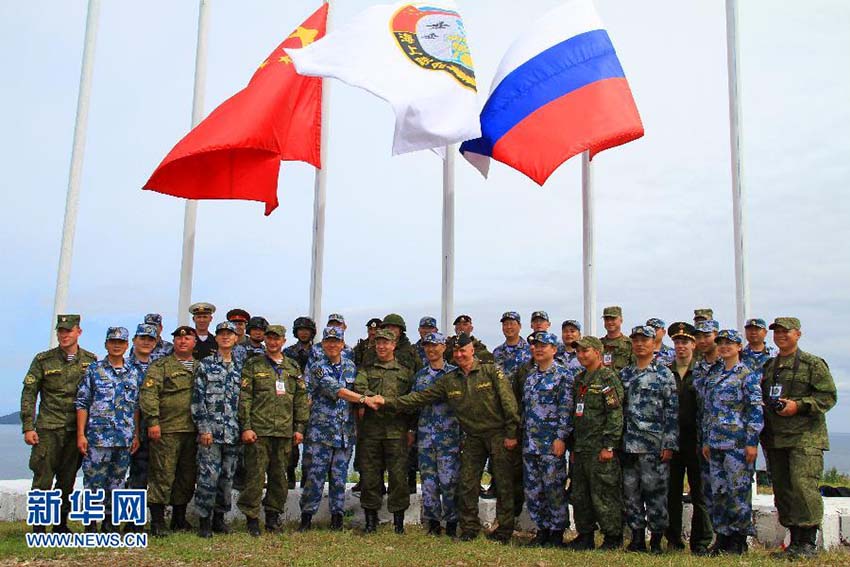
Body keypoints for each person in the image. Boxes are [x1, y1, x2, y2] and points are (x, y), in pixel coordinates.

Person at [377, 333, 521, 544]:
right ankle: (469, 528)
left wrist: (511, 433)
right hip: (473, 437)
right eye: (457, 351)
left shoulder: (490, 371)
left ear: (472, 350)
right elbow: (419, 398)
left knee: (504, 483)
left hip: (497, 434)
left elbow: (509, 403)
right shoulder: (449, 380)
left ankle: (504, 531)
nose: (460, 355)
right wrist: (386, 401)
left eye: (464, 350)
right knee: (466, 483)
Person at [760, 317, 837, 559]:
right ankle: (794, 542)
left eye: (786, 331)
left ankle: (808, 543)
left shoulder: (812, 364)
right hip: (776, 438)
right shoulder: (770, 367)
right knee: (783, 489)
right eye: (777, 332)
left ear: (798, 334)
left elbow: (827, 397)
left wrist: (799, 406)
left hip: (805, 438)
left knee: (803, 487)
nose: (781, 335)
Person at [21, 314, 97, 534]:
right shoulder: (43, 360)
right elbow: (29, 393)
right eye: (60, 331)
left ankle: (60, 525)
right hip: (48, 429)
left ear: (78, 332)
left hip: (76, 431)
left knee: (68, 480)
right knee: (43, 479)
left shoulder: (90, 361)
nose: (64, 335)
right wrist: (28, 426)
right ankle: (39, 527)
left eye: (68, 331)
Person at [237, 325, 308, 536]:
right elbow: (245, 398)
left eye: (277, 339)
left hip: (284, 432)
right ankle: (251, 518)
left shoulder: (293, 367)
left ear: (284, 341)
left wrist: (299, 428)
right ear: (265, 340)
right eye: (269, 338)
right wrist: (246, 427)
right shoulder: (253, 365)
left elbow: (301, 400)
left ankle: (273, 517)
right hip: (259, 431)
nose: (273, 342)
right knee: (255, 477)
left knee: (279, 478)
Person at [698, 329, 763, 555]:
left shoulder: (747, 374)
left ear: (738, 347)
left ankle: (738, 540)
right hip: (715, 443)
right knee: (719, 492)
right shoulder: (715, 375)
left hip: (737, 445)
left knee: (738, 493)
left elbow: (754, 410)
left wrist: (752, 442)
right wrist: (706, 440)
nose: (725, 347)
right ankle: (722, 537)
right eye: (721, 344)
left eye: (730, 343)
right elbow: (709, 411)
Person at [75, 327, 142, 533]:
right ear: (106, 344)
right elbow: (82, 403)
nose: (116, 345)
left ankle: (110, 523)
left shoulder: (134, 372)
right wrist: (80, 434)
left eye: (121, 342)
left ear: (126, 345)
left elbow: (137, 407)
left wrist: (136, 434)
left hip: (124, 438)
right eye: (112, 341)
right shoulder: (94, 370)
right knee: (94, 482)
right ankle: (91, 525)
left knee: (117, 483)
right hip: (98, 438)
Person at [298, 327, 364, 532]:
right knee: (315, 477)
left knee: (339, 478)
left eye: (337, 341)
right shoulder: (317, 367)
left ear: (343, 344)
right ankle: (306, 518)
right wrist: (364, 399)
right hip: (321, 433)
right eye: (329, 342)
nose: (333, 345)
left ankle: (337, 519)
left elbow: (357, 392)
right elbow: (335, 390)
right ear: (323, 344)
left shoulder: (352, 367)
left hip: (345, 433)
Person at [620, 326, 678, 554]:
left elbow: (671, 411)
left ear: (654, 343)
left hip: (654, 446)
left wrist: (670, 444)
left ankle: (655, 539)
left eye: (644, 340)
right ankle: (636, 538)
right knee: (631, 494)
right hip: (628, 445)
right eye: (635, 340)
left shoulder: (664, 374)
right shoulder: (624, 374)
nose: (640, 344)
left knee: (655, 494)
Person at [353, 328, 415, 534]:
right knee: (370, 477)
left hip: (396, 433)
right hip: (371, 432)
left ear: (394, 345)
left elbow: (411, 401)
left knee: (398, 478)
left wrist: (387, 403)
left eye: (386, 343)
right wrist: (373, 398)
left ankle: (398, 522)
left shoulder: (405, 372)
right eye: (378, 343)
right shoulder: (366, 369)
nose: (381, 346)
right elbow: (359, 388)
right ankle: (371, 521)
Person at [515, 331, 574, 548]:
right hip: (531, 443)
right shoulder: (530, 377)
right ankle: (542, 529)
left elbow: (566, 410)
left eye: (544, 346)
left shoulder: (563, 376)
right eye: (536, 346)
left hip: (551, 444)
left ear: (554, 349)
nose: (539, 349)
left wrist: (561, 438)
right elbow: (526, 410)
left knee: (554, 489)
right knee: (533, 490)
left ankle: (557, 531)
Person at [565, 336, 624, 551]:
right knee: (580, 494)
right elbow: (575, 414)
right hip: (581, 447)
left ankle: (612, 536)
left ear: (597, 353)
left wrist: (609, 445)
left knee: (604, 494)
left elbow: (615, 414)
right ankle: (585, 534)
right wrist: (573, 446)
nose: (581, 355)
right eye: (578, 352)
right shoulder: (580, 379)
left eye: (585, 351)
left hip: (600, 448)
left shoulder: (607, 378)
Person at [140, 326, 199, 536]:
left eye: (187, 338)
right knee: (162, 474)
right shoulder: (161, 366)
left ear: (194, 342)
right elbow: (149, 394)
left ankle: (179, 518)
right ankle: (157, 521)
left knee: (186, 476)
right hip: (167, 430)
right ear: (174, 342)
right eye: (179, 338)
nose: (183, 341)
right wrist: (153, 421)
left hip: (193, 431)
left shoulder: (200, 367)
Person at [191, 321, 243, 538]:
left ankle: (220, 519)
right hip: (210, 432)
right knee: (207, 477)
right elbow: (197, 400)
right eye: (221, 334)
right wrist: (204, 429)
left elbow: (246, 402)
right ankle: (204, 521)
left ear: (236, 338)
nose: (225, 337)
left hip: (233, 433)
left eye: (229, 334)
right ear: (217, 338)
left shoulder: (242, 367)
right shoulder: (205, 365)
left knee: (227, 478)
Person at [664, 322, 712, 554]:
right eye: (677, 342)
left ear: (694, 345)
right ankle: (673, 540)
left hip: (696, 440)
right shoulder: (665, 371)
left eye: (685, 342)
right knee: (671, 493)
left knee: (699, 493)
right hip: (672, 440)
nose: (681, 346)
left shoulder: (703, 371)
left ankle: (700, 542)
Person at [411, 332, 460, 536]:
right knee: (429, 481)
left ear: (443, 347)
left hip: (449, 436)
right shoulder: (420, 376)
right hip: (425, 436)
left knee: (449, 481)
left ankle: (451, 523)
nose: (431, 349)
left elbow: (462, 407)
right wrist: (412, 430)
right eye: (427, 346)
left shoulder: (455, 374)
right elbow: (414, 405)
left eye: (435, 345)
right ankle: (432, 522)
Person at [126, 324, 158, 504]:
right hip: (126, 430)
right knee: (126, 476)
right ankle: (120, 520)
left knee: (144, 474)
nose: (146, 342)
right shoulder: (123, 366)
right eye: (142, 338)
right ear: (134, 341)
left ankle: (135, 522)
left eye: (150, 339)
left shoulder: (159, 367)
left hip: (153, 429)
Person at [492, 311, 532, 384]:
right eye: (505, 324)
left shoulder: (530, 350)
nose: (508, 327)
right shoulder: (497, 352)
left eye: (512, 324)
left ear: (520, 326)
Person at [600, 306, 635, 372]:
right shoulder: (598, 344)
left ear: (621, 320)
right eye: (607, 319)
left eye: (613, 319)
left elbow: (635, 368)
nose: (610, 322)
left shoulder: (630, 344)